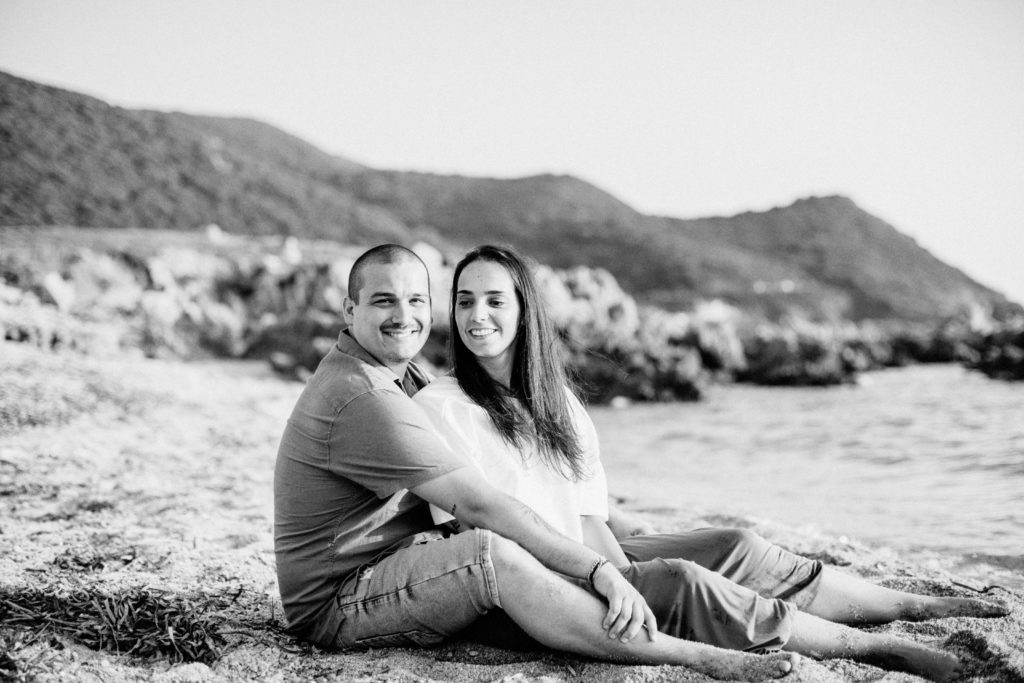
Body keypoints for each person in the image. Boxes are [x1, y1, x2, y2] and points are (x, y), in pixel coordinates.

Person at [412, 244, 1009, 682]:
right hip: (529, 590)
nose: (477, 315)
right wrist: (619, 577)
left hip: (586, 557)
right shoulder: (443, 407)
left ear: (525, 311)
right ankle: (874, 648)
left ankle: (908, 605)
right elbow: (472, 532)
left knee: (734, 544)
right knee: (680, 580)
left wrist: (624, 571)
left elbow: (589, 517)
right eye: (465, 301)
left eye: (495, 300)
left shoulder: (556, 402)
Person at [273, 244, 801, 681]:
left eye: (416, 300)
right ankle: (693, 657)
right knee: (489, 552)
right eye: (383, 301)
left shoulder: (400, 375)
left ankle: (824, 611)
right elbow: (480, 506)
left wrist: (620, 533)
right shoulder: (364, 395)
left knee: (720, 547)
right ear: (349, 311)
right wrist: (596, 568)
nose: (403, 316)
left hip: (395, 565)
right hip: (338, 602)